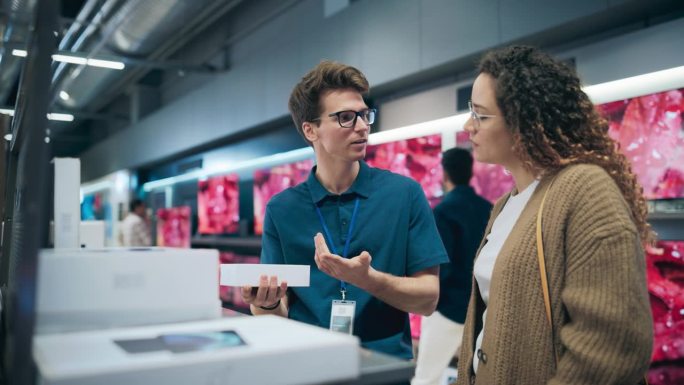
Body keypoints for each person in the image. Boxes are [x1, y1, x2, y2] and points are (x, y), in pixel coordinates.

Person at [455, 45, 653, 384]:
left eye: (481, 115)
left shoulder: (585, 190)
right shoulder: (505, 204)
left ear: (524, 121)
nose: (467, 125)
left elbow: (611, 347)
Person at [241, 60, 449, 359]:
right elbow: (272, 316)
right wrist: (267, 302)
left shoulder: (404, 195)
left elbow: (428, 299)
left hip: (384, 370)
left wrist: (368, 280)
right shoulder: (281, 209)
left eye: (365, 115)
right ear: (311, 130)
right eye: (346, 118)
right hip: (307, 367)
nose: (363, 126)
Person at [412, 148, 491, 385]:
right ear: (470, 172)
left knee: (426, 378)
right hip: (480, 308)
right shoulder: (488, 208)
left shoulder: (443, 211)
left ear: (444, 174)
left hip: (447, 309)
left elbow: (440, 267)